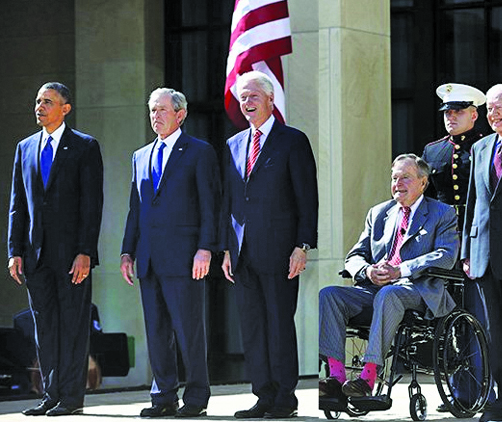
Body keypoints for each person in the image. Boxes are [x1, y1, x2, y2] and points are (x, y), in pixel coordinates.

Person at [220, 70, 318, 419]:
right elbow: (230, 202)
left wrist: (302, 245)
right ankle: (262, 395)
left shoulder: (292, 140)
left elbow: (307, 198)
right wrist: (227, 249)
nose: (247, 103)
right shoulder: (233, 145)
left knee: (279, 325)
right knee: (253, 329)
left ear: (270, 100)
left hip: (281, 253)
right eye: (243, 98)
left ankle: (284, 399)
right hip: (243, 255)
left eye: (253, 97)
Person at [319, 154, 458, 399]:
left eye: (405, 178)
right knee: (330, 294)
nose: (398, 184)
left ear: (423, 182)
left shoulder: (442, 213)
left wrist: (401, 269)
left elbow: (446, 255)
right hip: (376, 289)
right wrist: (367, 271)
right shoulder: (379, 213)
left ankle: (368, 377)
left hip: (417, 290)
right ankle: (336, 377)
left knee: (389, 293)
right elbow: (354, 256)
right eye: (394, 178)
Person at [121, 88, 220, 418]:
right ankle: (162, 397)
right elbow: (136, 209)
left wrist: (205, 249)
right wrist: (126, 252)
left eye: (162, 110)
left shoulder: (198, 152)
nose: (156, 115)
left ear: (180, 114)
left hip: (186, 258)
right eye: (152, 110)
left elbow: (210, 205)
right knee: (157, 331)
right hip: (148, 258)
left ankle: (195, 398)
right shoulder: (140, 156)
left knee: (188, 330)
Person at [7, 82, 104, 416]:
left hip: (72, 256)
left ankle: (72, 398)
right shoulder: (25, 148)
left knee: (73, 326)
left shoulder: (84, 147)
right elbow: (18, 205)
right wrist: (14, 251)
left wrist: (85, 252)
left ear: (65, 108)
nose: (40, 107)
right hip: (35, 256)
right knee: (45, 327)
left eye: (47, 102)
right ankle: (51, 395)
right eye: (37, 101)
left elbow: (92, 205)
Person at [422, 83, 496, 411]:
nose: (450, 117)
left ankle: (484, 390)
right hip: (443, 243)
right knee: (448, 317)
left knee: (481, 317)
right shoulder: (433, 150)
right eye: (447, 113)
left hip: (479, 241)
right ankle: (461, 390)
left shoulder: (485, 146)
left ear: (474, 114)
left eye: (458, 112)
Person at [462, 84, 502, 422]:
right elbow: (473, 202)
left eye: (499, 107)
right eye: (488, 110)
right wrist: (468, 250)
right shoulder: (481, 147)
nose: (492, 114)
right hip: (485, 256)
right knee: (496, 334)